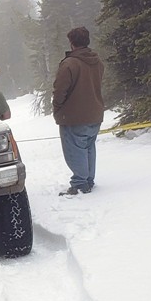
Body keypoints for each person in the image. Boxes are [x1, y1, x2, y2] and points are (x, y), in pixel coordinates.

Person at [52, 26, 105, 195]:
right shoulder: (97, 61)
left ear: (72, 42)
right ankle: (88, 179)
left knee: (75, 150)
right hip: (95, 112)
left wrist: (57, 107)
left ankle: (80, 184)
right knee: (89, 147)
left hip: (74, 116)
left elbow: (60, 90)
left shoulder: (69, 64)